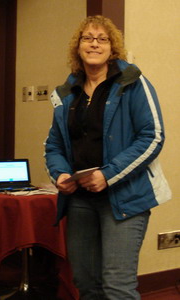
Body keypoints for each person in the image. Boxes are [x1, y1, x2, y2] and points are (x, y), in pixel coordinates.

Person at [44, 15, 171, 300]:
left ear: (112, 48)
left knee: (118, 288)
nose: (94, 44)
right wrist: (60, 174)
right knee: (86, 283)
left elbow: (153, 137)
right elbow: (53, 145)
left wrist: (108, 175)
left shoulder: (133, 83)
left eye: (102, 39)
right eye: (87, 38)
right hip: (80, 201)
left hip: (125, 199)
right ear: (78, 47)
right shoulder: (66, 93)